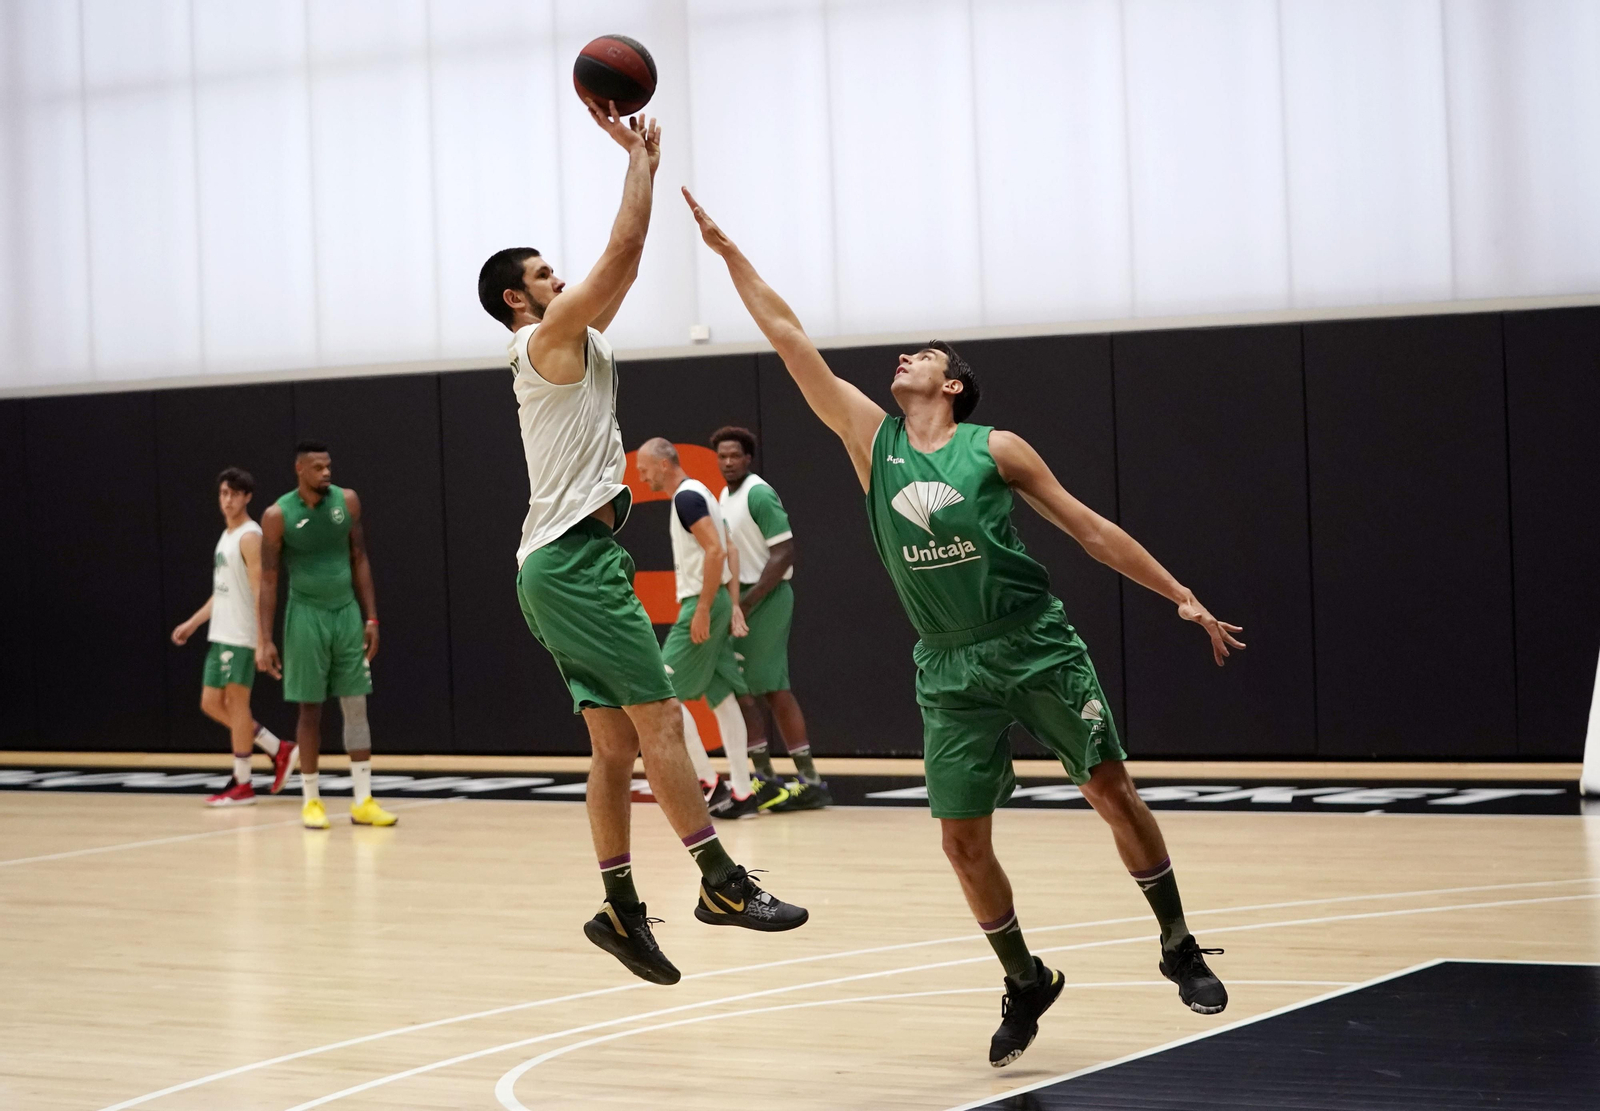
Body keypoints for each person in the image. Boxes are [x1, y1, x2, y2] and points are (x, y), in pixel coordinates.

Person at [686, 187, 1243, 1067]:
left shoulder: (996, 447)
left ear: (950, 385)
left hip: (1033, 641)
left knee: (1109, 791)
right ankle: (1025, 978)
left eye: (922, 354)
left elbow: (1089, 528)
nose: (901, 356)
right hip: (947, 664)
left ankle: (1176, 941)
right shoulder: (872, 440)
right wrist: (726, 251)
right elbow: (791, 338)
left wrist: (1180, 593)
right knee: (958, 838)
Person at [474, 100, 806, 988]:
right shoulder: (544, 339)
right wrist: (639, 167)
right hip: (572, 562)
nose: (560, 278)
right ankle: (720, 883)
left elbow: (616, 277)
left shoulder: (570, 336)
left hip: (560, 564)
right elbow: (620, 259)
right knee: (661, 719)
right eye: (545, 272)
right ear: (518, 297)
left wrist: (637, 176)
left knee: (615, 748)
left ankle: (619, 908)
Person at [634, 438, 779, 820]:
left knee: (660, 694)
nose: (641, 475)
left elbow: (716, 551)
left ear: (664, 465)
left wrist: (703, 608)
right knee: (723, 698)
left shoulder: (687, 498)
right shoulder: (704, 494)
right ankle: (744, 793)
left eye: (644, 468)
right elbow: (729, 549)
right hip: (715, 601)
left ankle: (707, 782)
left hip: (702, 601)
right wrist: (730, 604)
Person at [256, 442, 396, 831]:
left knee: (355, 704)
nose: (326, 473)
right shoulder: (277, 515)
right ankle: (311, 800)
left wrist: (372, 618)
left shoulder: (347, 502)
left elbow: (360, 558)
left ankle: (364, 800)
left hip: (346, 613)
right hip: (305, 616)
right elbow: (268, 579)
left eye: (328, 466)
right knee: (309, 708)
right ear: (299, 469)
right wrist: (264, 638)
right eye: (317, 468)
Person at [711, 426, 829, 811]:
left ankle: (810, 781)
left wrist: (746, 603)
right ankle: (763, 777)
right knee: (743, 691)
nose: (728, 462)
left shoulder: (758, 493)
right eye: (722, 456)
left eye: (735, 456)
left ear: (748, 458)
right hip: (740, 598)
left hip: (767, 597)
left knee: (773, 687)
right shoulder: (723, 497)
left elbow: (783, 554)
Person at [170, 467, 294, 807]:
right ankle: (277, 748)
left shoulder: (250, 536)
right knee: (210, 703)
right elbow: (222, 592)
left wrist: (261, 638)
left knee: (238, 705)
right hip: (220, 632)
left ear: (247, 497)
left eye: (234, 494)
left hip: (241, 634)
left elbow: (259, 589)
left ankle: (243, 784)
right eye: (223, 494)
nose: (227, 500)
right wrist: (193, 623)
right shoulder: (226, 536)